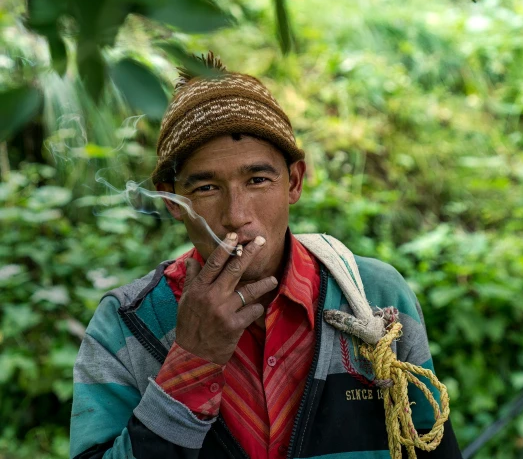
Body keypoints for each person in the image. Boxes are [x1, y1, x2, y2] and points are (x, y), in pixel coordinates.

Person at [70, 52, 462, 459]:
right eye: (206, 188)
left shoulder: (376, 297)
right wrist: (191, 362)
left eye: (258, 180)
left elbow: (429, 446)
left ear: (293, 182)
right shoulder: (125, 326)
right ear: (172, 200)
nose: (236, 216)